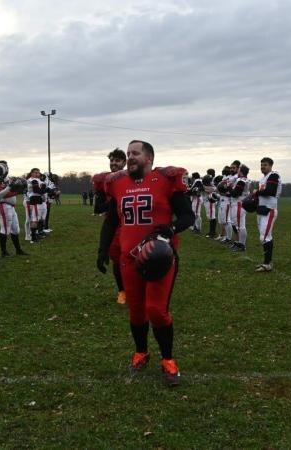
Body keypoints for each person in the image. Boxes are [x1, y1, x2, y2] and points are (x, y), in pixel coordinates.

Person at [97, 140, 195, 386]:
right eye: (128, 153)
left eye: (135, 153)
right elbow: (110, 221)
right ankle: (141, 351)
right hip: (129, 259)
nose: (130, 157)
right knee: (137, 310)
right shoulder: (117, 183)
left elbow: (188, 216)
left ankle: (168, 360)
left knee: (156, 310)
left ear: (149, 158)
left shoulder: (165, 180)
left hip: (159, 256)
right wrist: (102, 249)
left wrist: (171, 228)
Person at [93, 147, 128, 304]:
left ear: (124, 162)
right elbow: (97, 208)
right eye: (111, 160)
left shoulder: (131, 177)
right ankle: (122, 290)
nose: (113, 163)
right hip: (113, 223)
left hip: (131, 221)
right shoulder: (104, 181)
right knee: (116, 259)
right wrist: (114, 202)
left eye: (117, 160)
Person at [254, 157, 282, 272]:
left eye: (265, 165)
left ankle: (267, 263)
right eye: (261, 165)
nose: (262, 167)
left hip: (269, 209)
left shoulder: (274, 175)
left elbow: (270, 191)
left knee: (264, 237)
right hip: (262, 209)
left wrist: (257, 192)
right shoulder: (263, 178)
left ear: (271, 166)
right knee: (264, 236)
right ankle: (266, 262)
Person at [228, 164, 250, 251]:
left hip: (238, 204)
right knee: (236, 224)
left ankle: (242, 244)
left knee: (240, 225)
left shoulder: (241, 180)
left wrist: (229, 188)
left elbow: (235, 193)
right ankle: (238, 242)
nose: (237, 171)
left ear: (241, 171)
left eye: (239, 170)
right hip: (237, 203)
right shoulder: (243, 180)